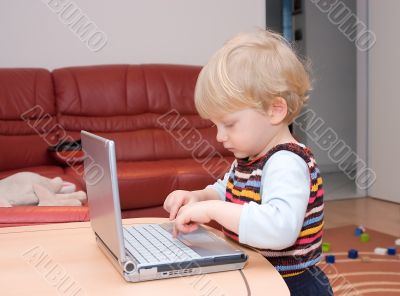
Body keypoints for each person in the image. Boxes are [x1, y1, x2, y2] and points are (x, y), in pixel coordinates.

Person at [163, 29, 333, 295]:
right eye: (216, 125)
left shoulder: (287, 162)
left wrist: (213, 210)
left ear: (274, 110)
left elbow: (280, 230)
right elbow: (227, 189)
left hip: (291, 284)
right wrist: (198, 196)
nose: (220, 136)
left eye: (229, 124)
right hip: (258, 273)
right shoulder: (250, 157)